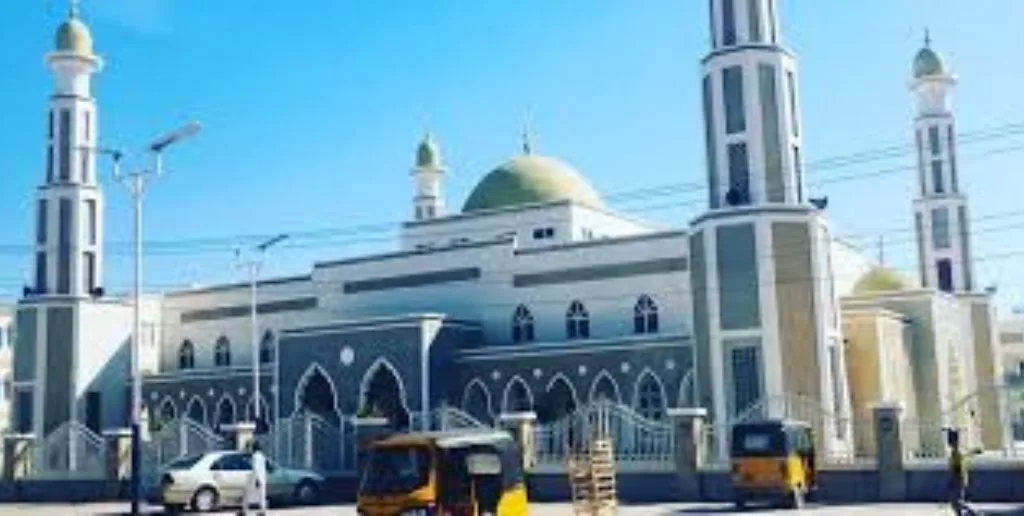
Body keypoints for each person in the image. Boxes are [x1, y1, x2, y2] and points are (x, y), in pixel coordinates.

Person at [946, 428, 980, 516]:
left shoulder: (957, 452)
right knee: (956, 502)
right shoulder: (957, 451)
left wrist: (953, 480)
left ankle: (974, 513)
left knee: (956, 502)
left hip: (958, 478)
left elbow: (957, 467)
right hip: (959, 478)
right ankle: (967, 513)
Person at [243, 440, 268, 515]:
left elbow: (256, 468)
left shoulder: (255, 456)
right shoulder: (262, 456)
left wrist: (257, 479)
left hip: (255, 478)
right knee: (262, 495)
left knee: (248, 493)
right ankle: (263, 511)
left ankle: (245, 510)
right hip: (262, 477)